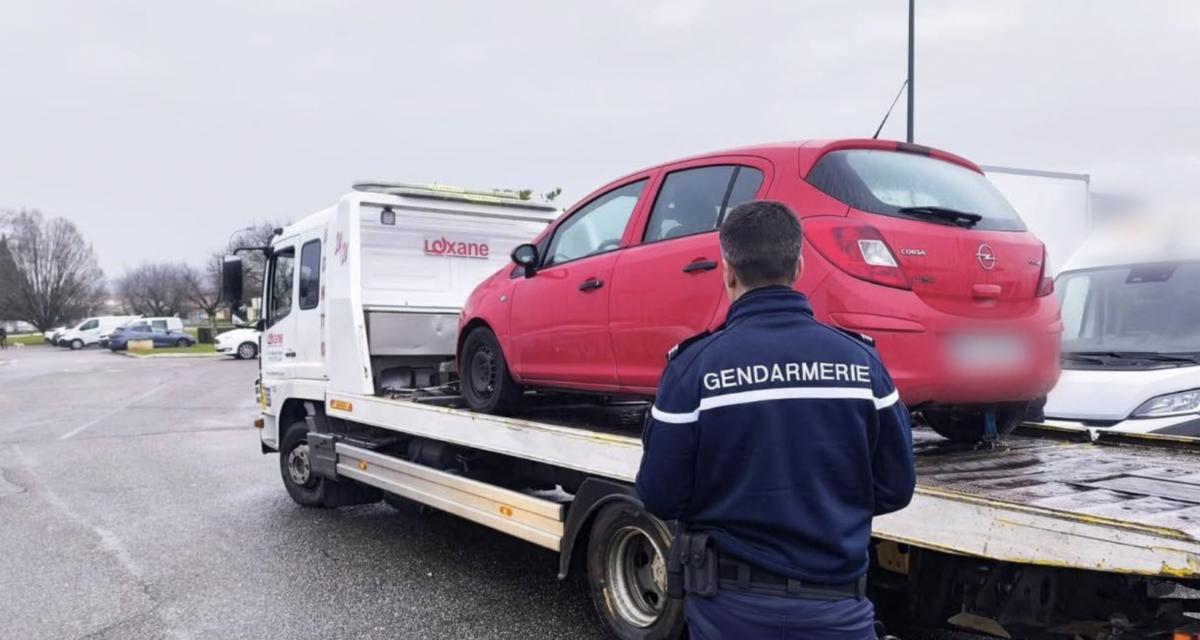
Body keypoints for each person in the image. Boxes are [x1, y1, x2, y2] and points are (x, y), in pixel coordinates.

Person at [636, 201, 916, 640]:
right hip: (838, 611)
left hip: (729, 613)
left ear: (727, 271)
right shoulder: (862, 364)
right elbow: (896, 488)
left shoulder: (694, 368)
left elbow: (660, 495)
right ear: (799, 266)